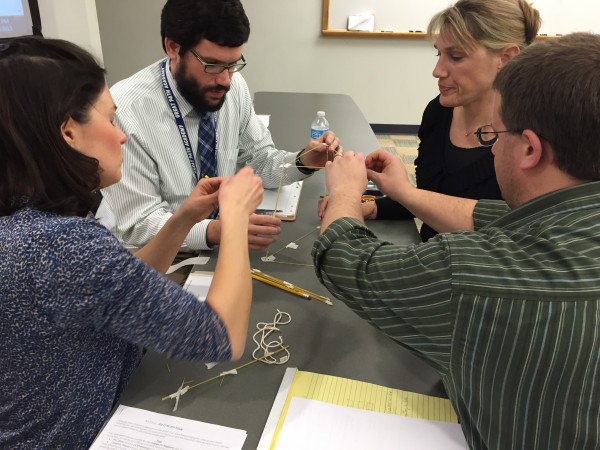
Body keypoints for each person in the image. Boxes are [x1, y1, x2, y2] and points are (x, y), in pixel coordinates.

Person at [313, 32, 600, 450]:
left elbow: (345, 259)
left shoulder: (473, 275)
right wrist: (403, 192)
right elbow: (490, 216)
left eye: (495, 136)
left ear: (529, 150)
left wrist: (343, 192)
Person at [0, 36, 264, 448]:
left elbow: (117, 284)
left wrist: (183, 219)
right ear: (68, 132)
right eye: (110, 120)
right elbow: (221, 336)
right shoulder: (60, 246)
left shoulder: (28, 221)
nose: (121, 137)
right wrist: (233, 220)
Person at [97, 0, 340, 252]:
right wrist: (216, 231)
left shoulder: (233, 87)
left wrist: (303, 161)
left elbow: (258, 161)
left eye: (233, 64)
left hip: (218, 239)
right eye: (211, 64)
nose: (224, 80)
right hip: (148, 256)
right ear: (172, 47)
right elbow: (138, 225)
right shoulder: (128, 111)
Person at [318, 0, 541, 242]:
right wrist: (372, 206)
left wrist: (354, 195)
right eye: (439, 53)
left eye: (455, 57)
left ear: (506, 57)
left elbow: (511, 233)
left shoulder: (531, 138)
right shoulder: (439, 112)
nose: (437, 70)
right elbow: (431, 199)